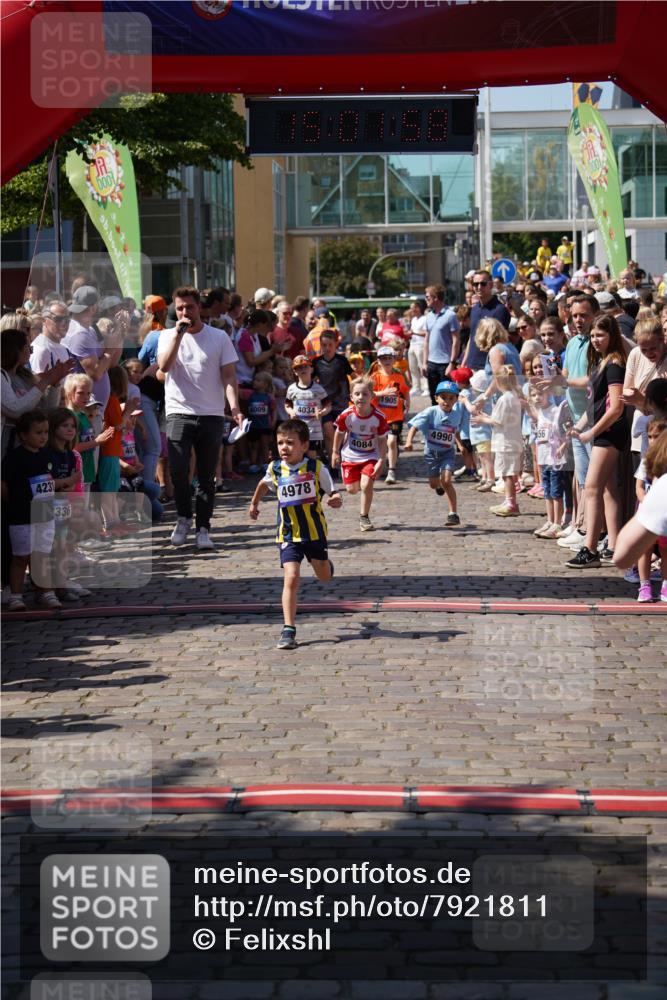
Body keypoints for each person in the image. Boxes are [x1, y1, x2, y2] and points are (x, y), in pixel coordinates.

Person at [157, 286, 241, 551]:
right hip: (179, 411)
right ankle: (183, 517)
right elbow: (164, 367)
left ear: (199, 309)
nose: (184, 312)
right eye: (180, 308)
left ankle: (203, 527)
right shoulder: (167, 336)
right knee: (179, 470)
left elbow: (229, 377)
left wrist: (235, 407)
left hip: (211, 413)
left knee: (206, 475)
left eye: (189, 307)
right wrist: (178, 336)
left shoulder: (218, 338)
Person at [248, 418, 342, 650]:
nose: (284, 448)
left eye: (290, 443)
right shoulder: (275, 468)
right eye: (280, 443)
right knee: (291, 577)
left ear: (304, 445)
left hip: (313, 532)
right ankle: (288, 629)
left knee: (324, 577)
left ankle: (326, 565)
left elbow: (333, 493)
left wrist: (334, 499)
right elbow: (263, 484)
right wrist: (254, 504)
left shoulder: (316, 468)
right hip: (288, 533)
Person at [566, 315, 629, 569]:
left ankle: (590, 548)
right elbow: (596, 404)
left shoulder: (614, 364)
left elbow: (615, 408)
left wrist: (592, 433)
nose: (595, 340)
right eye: (592, 336)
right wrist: (580, 426)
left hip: (610, 432)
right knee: (607, 489)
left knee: (591, 488)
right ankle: (613, 545)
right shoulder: (601, 362)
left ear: (612, 336)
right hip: (602, 429)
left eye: (600, 335)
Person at [1, 409, 70, 611]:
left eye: (46, 432)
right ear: (24, 434)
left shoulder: (46, 455)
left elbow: (50, 483)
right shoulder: (14, 458)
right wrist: (12, 504)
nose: (43, 437)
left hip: (44, 513)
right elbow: (3, 485)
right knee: (21, 556)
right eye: (38, 432)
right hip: (21, 515)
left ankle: (46, 592)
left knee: (42, 554)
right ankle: (15, 595)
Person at [1, 328, 72, 459]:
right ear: (17, 350)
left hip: (29, 450)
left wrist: (54, 384)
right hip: (6, 449)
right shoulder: (2, 377)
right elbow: (15, 409)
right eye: (28, 347)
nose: (31, 351)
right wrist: (44, 381)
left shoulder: (26, 377)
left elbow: (46, 411)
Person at [405, 379, 466, 527]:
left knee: (447, 481)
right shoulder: (431, 412)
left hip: (447, 453)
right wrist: (408, 441)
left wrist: (460, 444)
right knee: (434, 484)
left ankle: (453, 514)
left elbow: (454, 431)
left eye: (451, 398)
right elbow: (414, 426)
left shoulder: (456, 414)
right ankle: (438, 485)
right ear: (436, 398)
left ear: (456, 400)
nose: (447, 401)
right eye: (443, 397)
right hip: (431, 453)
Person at [332, 377, 388, 533]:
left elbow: (383, 441)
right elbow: (339, 433)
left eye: (365, 394)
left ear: (372, 396)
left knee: (366, 485)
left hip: (371, 456)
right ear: (351, 397)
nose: (361, 397)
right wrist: (335, 452)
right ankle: (354, 484)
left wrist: (382, 460)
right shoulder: (346, 415)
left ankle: (364, 517)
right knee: (351, 489)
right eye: (357, 394)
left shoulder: (379, 418)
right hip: (350, 456)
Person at [472, 365, 524, 517]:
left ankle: (511, 503)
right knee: (507, 473)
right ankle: (508, 500)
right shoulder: (513, 395)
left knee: (507, 474)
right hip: (510, 439)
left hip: (506, 442)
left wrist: (482, 418)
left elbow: (498, 421)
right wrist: (487, 416)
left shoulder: (505, 398)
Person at [63, 285, 121, 413]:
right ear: (94, 307)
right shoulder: (80, 334)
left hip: (92, 410)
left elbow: (111, 363)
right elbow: (96, 374)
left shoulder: (89, 329)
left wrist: (120, 332)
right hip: (85, 412)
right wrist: (110, 349)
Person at [632, 421, 667, 601]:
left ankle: (665, 585)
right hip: (647, 511)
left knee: (664, 548)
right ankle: (644, 586)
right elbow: (639, 486)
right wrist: (645, 501)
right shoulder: (647, 460)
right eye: (651, 437)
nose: (653, 441)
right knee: (644, 549)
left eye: (657, 437)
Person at [369, 346, 410, 485]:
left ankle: (391, 470)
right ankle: (381, 464)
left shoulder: (399, 376)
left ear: (394, 359)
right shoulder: (374, 377)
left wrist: (408, 402)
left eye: (389, 358)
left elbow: (405, 390)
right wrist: (383, 393)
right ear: (378, 361)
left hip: (395, 415)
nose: (387, 360)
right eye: (383, 358)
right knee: (381, 442)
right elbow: (369, 394)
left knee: (392, 441)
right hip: (379, 416)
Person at [313, 331, 353, 461]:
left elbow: (353, 377)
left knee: (341, 433)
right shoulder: (316, 362)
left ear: (336, 344)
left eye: (330, 345)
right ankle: (333, 463)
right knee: (329, 433)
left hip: (341, 401)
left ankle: (344, 459)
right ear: (320, 345)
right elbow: (310, 381)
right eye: (324, 345)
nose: (327, 348)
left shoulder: (341, 361)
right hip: (325, 403)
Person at [285, 355, 330, 461]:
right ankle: (299, 476)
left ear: (311, 369)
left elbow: (328, 405)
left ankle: (312, 476)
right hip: (297, 430)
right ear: (295, 372)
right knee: (297, 455)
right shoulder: (291, 389)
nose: (303, 369)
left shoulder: (319, 389)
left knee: (311, 457)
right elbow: (287, 405)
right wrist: (291, 412)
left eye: (305, 366)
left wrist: (322, 412)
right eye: (299, 368)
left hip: (314, 431)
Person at [463, 271, 511, 371]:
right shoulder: (474, 308)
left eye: (483, 283)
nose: (479, 287)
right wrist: (464, 362)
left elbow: (501, 342)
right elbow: (471, 337)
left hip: (489, 366)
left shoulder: (500, 310)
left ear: (491, 285)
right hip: (472, 365)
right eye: (475, 284)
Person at [422, 283, 461, 402]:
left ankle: (448, 421)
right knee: (434, 398)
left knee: (447, 398)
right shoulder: (429, 316)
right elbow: (426, 340)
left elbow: (456, 341)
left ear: (436, 298)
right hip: (431, 363)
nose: (426, 300)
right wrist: (424, 362)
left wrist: (452, 363)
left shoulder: (450, 315)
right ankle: (436, 420)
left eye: (428, 297)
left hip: (445, 364)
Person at [30, 301, 73, 407]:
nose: (64, 323)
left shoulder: (64, 348)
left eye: (67, 319)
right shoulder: (41, 349)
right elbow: (39, 395)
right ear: (44, 321)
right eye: (58, 319)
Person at [245, 371, 276, 472]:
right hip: (253, 425)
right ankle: (253, 464)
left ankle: (265, 463)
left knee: (265, 445)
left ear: (265, 384)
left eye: (258, 380)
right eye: (254, 379)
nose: (254, 382)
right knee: (254, 446)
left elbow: (274, 410)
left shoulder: (269, 397)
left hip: (265, 425)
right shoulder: (250, 394)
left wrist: (274, 420)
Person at [407, 299, 429, 395]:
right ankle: (416, 387)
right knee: (412, 367)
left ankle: (426, 388)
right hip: (412, 344)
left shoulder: (425, 319)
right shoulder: (413, 319)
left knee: (422, 367)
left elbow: (426, 333)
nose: (412, 309)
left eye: (415, 307)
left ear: (420, 308)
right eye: (411, 308)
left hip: (421, 345)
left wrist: (414, 333)